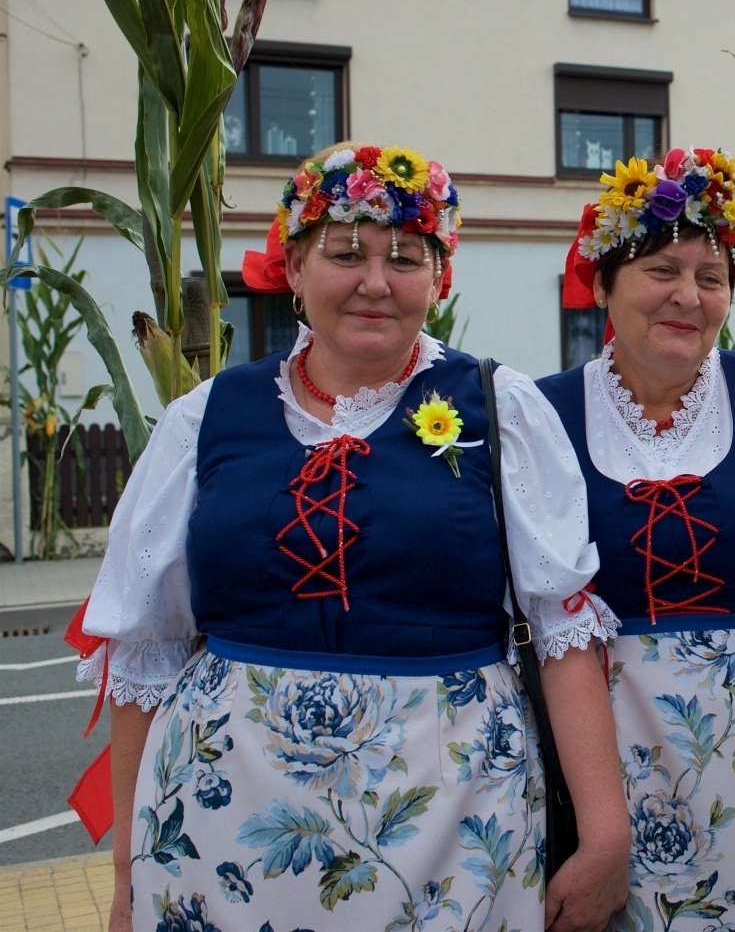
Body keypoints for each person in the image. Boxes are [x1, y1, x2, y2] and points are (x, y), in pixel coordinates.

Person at [77, 143, 629, 932]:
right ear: (294, 270)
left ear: (438, 280)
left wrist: (605, 833)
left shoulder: (499, 408)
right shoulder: (205, 418)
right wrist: (130, 873)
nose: (376, 280)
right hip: (221, 820)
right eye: (345, 253)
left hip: (451, 823)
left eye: (406, 257)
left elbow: (564, 632)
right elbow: (145, 650)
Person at [528, 147, 735, 930]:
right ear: (603, 282)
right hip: (606, 767)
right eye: (661, 271)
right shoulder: (540, 417)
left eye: (712, 277)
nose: (688, 296)